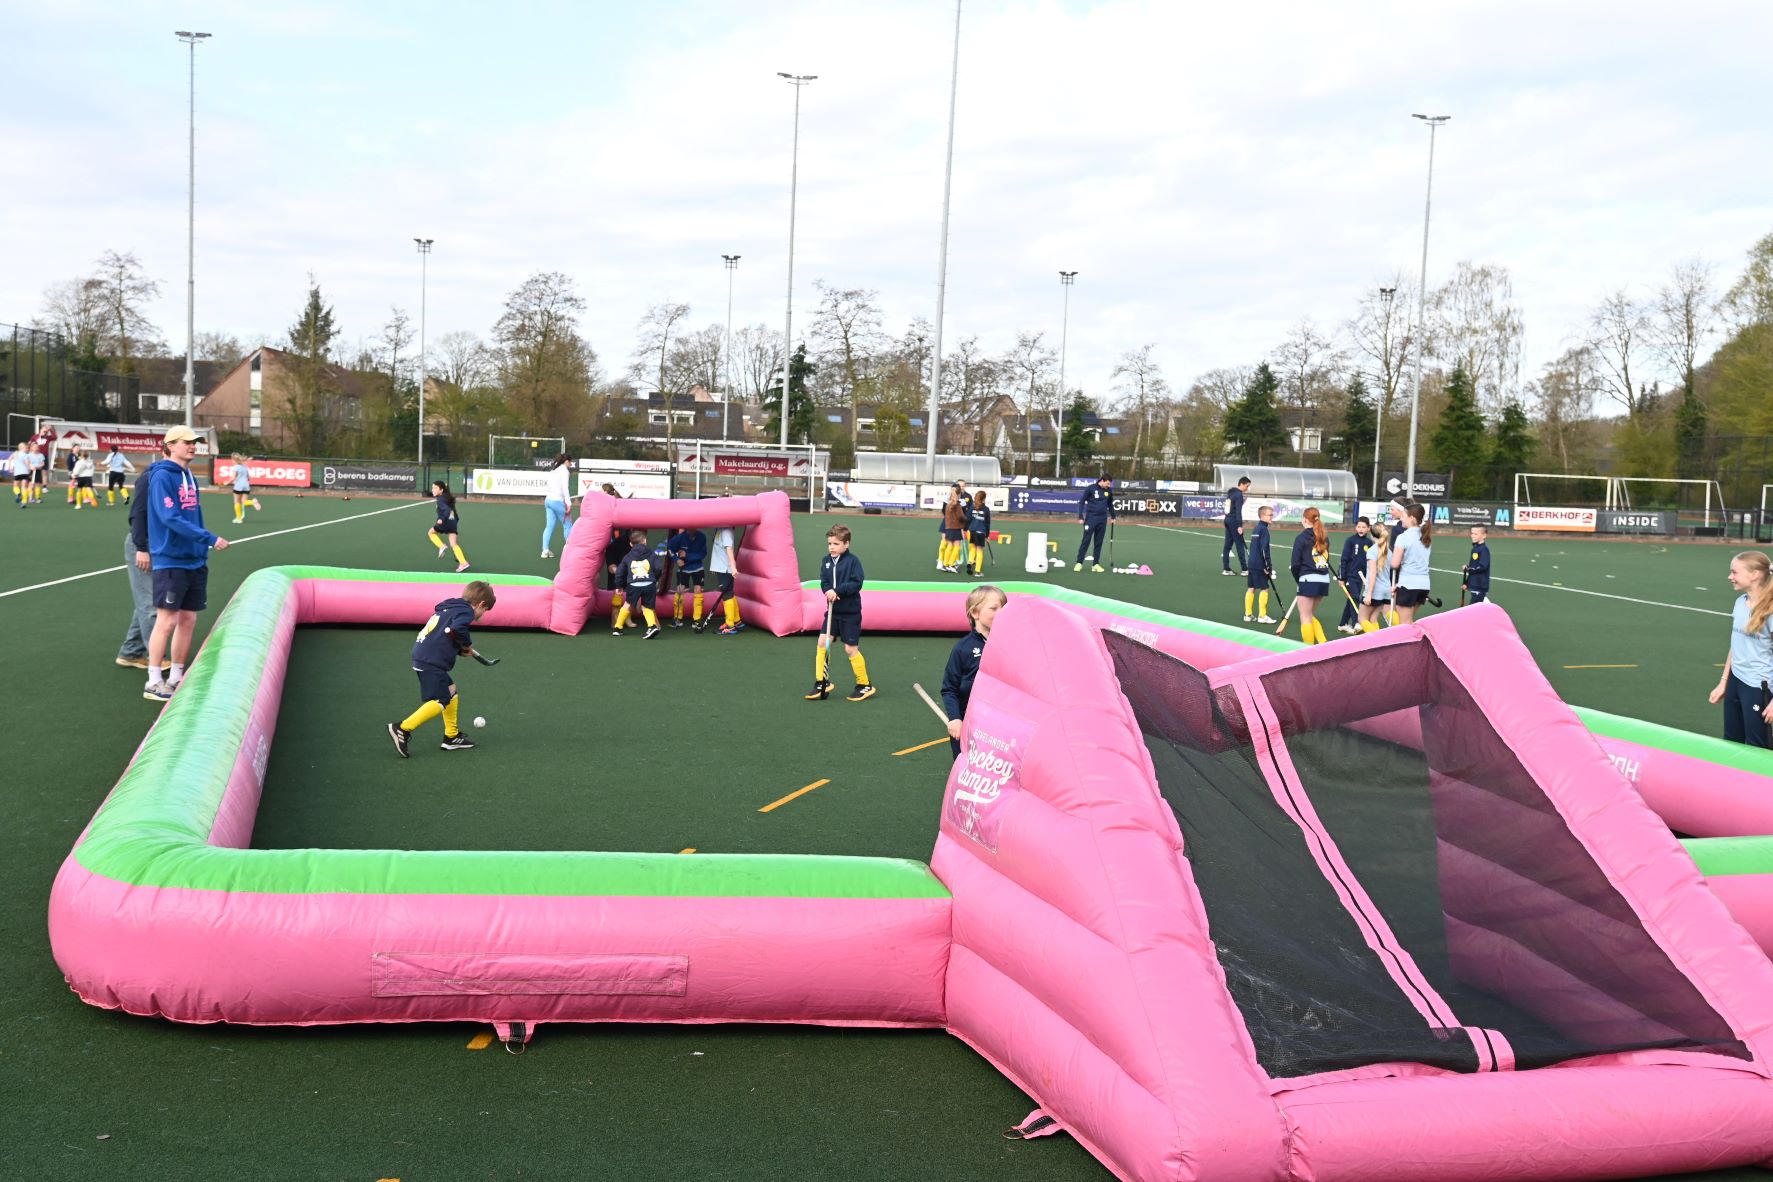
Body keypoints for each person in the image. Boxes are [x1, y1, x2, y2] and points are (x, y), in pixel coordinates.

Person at [142, 425, 230, 703]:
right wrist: (209, 538)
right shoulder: (162, 476)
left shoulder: (189, 475)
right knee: (166, 620)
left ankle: (177, 675)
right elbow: (169, 517)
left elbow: (193, 515)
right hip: (171, 559)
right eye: (186, 442)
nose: (193, 446)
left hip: (194, 559)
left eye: (195, 442)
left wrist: (201, 546)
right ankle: (153, 680)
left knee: (188, 619)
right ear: (170, 446)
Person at [388, 580, 498, 757]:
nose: (482, 615)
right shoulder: (466, 611)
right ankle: (402, 728)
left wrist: (460, 650)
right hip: (430, 660)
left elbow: (445, 633)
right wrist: (467, 644)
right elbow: (457, 628)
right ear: (481, 604)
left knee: (450, 690)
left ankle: (451, 737)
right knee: (441, 699)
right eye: (484, 610)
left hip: (424, 655)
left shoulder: (451, 607)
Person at [1708, 551, 1773, 748]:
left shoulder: (1771, 611)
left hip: (1758, 687)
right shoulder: (1739, 603)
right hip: (1736, 682)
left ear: (1754, 575)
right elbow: (1735, 645)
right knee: (1731, 741)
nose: (1730, 577)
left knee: (1757, 746)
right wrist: (1724, 683)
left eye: (1734, 572)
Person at [807, 523, 874, 701]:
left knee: (850, 649)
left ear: (846, 544)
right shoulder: (826, 561)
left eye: (836, 544)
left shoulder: (853, 561)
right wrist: (827, 590)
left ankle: (864, 684)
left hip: (850, 613)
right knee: (823, 642)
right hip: (832, 612)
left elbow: (856, 583)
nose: (832, 547)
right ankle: (821, 681)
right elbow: (824, 581)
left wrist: (838, 591)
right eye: (829, 544)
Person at [117, 444, 168, 670]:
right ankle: (155, 658)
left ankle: (130, 652)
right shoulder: (150, 476)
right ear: (167, 451)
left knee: (146, 601)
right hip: (143, 544)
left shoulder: (176, 477)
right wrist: (141, 547)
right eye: (186, 444)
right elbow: (137, 513)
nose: (191, 449)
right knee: (150, 603)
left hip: (158, 545)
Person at [942, 584, 1007, 757]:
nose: (1001, 612)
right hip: (968, 725)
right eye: (994, 608)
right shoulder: (963, 649)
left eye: (1004, 608)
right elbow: (949, 689)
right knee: (967, 767)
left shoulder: (1009, 644)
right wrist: (955, 718)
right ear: (975, 613)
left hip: (1000, 726)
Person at [1289, 506, 1333, 644]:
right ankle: (1323, 643)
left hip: (1308, 579)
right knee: (1309, 614)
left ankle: (1308, 649)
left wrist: (1299, 580)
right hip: (1324, 580)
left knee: (1305, 616)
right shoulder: (1324, 537)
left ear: (1304, 519)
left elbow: (1295, 564)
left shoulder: (1301, 538)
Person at [611, 529, 663, 639]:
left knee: (627, 605)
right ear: (645, 541)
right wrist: (655, 579)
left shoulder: (627, 556)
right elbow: (658, 568)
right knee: (647, 606)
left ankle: (617, 628)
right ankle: (651, 626)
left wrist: (619, 586)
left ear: (631, 544)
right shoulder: (652, 553)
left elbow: (619, 572)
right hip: (649, 584)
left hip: (633, 585)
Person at [1389, 502, 1434, 625]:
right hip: (1423, 585)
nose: (1401, 519)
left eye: (1404, 516)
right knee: (1408, 622)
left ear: (1412, 518)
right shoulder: (1425, 536)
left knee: (1405, 624)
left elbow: (1395, 564)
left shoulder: (1403, 537)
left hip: (1408, 585)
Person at [667, 525, 709, 629]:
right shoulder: (679, 538)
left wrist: (688, 556)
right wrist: (677, 559)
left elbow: (704, 553)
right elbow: (670, 549)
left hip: (698, 567)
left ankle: (697, 620)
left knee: (698, 590)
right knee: (680, 590)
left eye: (695, 525)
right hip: (683, 568)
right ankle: (678, 618)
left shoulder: (702, 536)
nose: (692, 528)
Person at [426, 480, 470, 573]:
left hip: (445, 521)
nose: (432, 489)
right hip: (452, 522)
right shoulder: (447, 497)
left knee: (431, 533)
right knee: (454, 544)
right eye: (432, 487)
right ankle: (463, 562)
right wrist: (455, 522)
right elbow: (453, 512)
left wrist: (441, 519)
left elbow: (446, 510)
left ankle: (441, 546)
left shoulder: (440, 499)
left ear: (441, 490)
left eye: (435, 488)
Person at [1074, 474, 1114, 573]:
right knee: (1086, 541)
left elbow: (1110, 504)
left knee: (1098, 542)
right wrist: (1080, 516)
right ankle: (1079, 563)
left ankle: (1095, 564)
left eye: (1109, 484)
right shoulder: (1091, 488)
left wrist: (1113, 516)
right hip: (1091, 518)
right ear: (1102, 481)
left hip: (1102, 519)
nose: (1108, 486)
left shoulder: (1109, 491)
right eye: (1107, 483)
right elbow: (1081, 502)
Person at [1337, 517, 1371, 633]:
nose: (1361, 529)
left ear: (1368, 529)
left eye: (1364, 527)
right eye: (1359, 527)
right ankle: (1357, 622)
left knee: (1351, 600)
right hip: (1350, 576)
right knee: (1355, 598)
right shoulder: (1350, 541)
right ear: (1356, 528)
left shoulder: (1369, 543)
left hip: (1361, 578)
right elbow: (1344, 559)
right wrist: (1341, 577)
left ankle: (1342, 624)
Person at [711, 522, 746, 635]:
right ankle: (737, 621)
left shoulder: (726, 531)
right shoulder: (719, 528)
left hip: (725, 569)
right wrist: (714, 566)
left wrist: (733, 567)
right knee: (729, 593)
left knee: (727, 595)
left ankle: (730, 625)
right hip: (721, 568)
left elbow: (729, 549)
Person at [1243, 504, 1276, 624]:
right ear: (1262, 516)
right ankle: (1262, 616)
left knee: (1251, 588)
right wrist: (1268, 566)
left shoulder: (1256, 528)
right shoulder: (1264, 530)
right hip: (1259, 564)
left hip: (1252, 562)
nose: (1272, 517)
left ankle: (1248, 614)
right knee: (1264, 588)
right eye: (1270, 515)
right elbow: (1264, 550)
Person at [1359, 524, 1393, 632]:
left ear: (1372, 534)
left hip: (1375, 591)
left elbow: (1373, 573)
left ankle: (1377, 640)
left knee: (1362, 619)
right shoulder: (1389, 551)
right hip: (1386, 590)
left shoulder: (1372, 550)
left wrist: (1369, 594)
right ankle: (1378, 640)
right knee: (1373, 618)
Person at [541, 453, 575, 558]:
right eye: (570, 462)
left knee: (549, 527)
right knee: (568, 525)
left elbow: (549, 485)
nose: (571, 464)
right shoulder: (565, 471)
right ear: (567, 461)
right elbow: (565, 488)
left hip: (548, 500)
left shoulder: (554, 470)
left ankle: (545, 551)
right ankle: (570, 550)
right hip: (557, 501)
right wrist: (569, 504)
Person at [1222, 476, 1251, 575]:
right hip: (1234, 521)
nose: (1247, 488)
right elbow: (1238, 511)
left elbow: (1227, 509)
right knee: (1239, 545)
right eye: (1247, 486)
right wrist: (1239, 525)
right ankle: (1245, 569)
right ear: (1241, 484)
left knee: (1227, 545)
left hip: (1227, 520)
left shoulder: (1230, 493)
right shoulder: (1238, 495)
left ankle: (1226, 569)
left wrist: (1228, 519)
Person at [940, 485, 968, 573]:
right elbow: (961, 516)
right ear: (959, 494)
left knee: (949, 545)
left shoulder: (948, 503)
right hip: (956, 527)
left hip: (948, 526)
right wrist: (966, 520)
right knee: (957, 546)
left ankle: (945, 564)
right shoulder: (958, 504)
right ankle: (951, 564)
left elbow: (944, 513)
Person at [1462, 526, 1492, 605]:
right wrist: (1467, 583)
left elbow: (1482, 567)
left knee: (1473, 608)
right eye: (1472, 533)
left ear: (1484, 535)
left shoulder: (1484, 550)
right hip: (1474, 584)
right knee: (1478, 607)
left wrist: (1468, 569)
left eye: (1476, 534)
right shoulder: (1475, 549)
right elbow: (1474, 566)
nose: (1473, 536)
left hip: (1479, 585)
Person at [966, 490, 992, 577]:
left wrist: (968, 528)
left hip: (972, 530)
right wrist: (987, 535)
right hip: (981, 532)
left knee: (973, 547)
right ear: (983, 499)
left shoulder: (972, 507)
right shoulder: (986, 509)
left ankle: (970, 563)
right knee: (979, 551)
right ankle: (977, 571)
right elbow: (988, 524)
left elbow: (968, 519)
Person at [230, 454, 258, 525]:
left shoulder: (235, 467)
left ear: (234, 460)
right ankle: (252, 502)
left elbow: (233, 477)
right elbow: (248, 477)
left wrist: (226, 482)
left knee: (237, 502)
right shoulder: (245, 467)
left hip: (238, 486)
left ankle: (239, 519)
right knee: (244, 501)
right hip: (246, 486)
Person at [8, 442, 32, 506]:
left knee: (15, 486)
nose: (27, 449)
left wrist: (10, 467)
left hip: (17, 473)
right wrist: (29, 471)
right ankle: (24, 502)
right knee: (24, 487)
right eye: (26, 448)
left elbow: (9, 459)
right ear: (21, 448)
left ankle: (18, 493)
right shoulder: (25, 455)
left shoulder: (15, 453)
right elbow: (27, 463)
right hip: (25, 472)